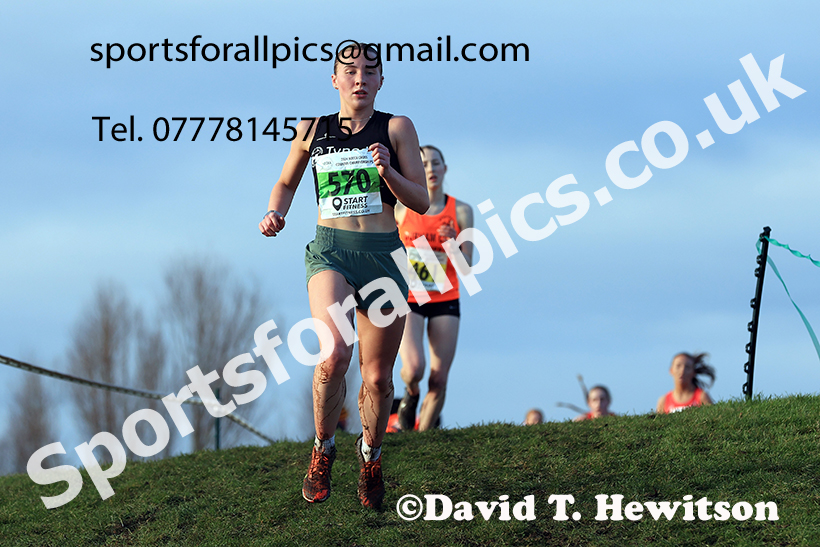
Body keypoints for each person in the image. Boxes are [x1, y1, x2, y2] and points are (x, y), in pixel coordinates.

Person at [259, 42, 428, 509]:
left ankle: (370, 458)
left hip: (383, 256)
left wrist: (389, 171)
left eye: (369, 72)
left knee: (376, 376)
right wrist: (276, 212)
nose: (359, 79)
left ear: (379, 81)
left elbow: (421, 201)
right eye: (349, 71)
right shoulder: (312, 129)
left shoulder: (397, 128)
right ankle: (323, 449)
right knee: (334, 352)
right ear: (334, 79)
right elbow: (287, 182)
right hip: (330, 252)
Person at [394, 145, 473, 432]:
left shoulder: (461, 211)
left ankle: (421, 437)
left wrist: (452, 242)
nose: (430, 169)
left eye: (435, 163)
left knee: (439, 379)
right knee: (414, 369)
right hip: (410, 297)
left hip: (445, 298)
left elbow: (467, 267)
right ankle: (411, 394)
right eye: (423, 164)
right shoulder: (401, 208)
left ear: (445, 168)